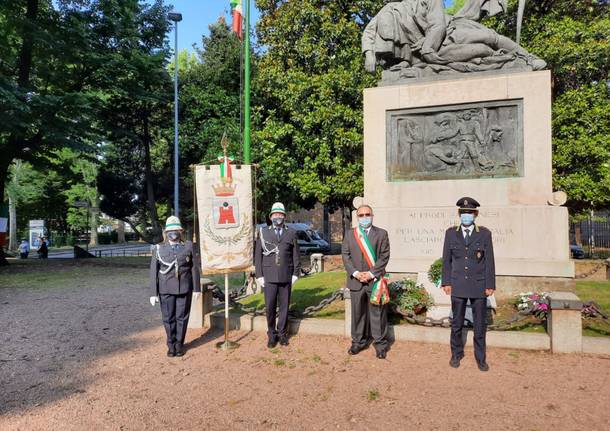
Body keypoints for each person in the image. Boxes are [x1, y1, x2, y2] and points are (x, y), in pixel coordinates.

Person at [441, 197, 496, 371]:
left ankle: (481, 358)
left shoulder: (484, 234)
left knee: (479, 325)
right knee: (456, 324)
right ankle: (456, 354)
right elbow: (446, 260)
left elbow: (489, 262)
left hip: (478, 285)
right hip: (457, 285)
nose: (466, 215)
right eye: (464, 212)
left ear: (475, 214)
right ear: (459, 214)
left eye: (470, 212)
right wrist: (446, 282)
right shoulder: (451, 233)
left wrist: (490, 284)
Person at [341, 204, 391, 359]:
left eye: (367, 214)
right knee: (357, 313)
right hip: (356, 281)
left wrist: (370, 274)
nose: (364, 218)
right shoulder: (350, 234)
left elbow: (384, 257)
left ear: (372, 215)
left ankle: (380, 344)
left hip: (374, 281)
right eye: (361, 215)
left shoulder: (382, 234)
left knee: (377, 314)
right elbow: (345, 255)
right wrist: (356, 273)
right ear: (357, 218)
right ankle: (358, 342)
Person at [150, 216, 201, 357]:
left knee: (182, 318)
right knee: (168, 318)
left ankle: (179, 344)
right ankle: (170, 344)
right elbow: (154, 271)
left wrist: (197, 288)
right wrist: (153, 293)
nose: (173, 232)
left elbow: (194, 268)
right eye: (170, 230)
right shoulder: (159, 248)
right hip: (165, 289)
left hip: (184, 287)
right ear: (166, 232)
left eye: (176, 230)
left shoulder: (189, 246)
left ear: (181, 231)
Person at [254, 202, 301, 348]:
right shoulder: (263, 232)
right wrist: (259, 275)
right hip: (268, 276)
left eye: (280, 214)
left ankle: (282, 334)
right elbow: (258, 256)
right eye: (275, 214)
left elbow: (296, 255)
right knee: (270, 307)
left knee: (284, 306)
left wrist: (296, 273)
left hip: (286, 275)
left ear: (284, 216)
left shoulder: (291, 232)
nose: (278, 217)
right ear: (271, 216)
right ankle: (271, 334)